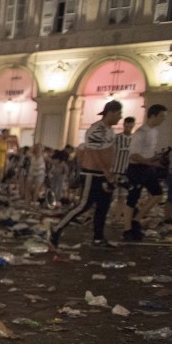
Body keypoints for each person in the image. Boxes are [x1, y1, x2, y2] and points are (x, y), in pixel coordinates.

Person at [50, 100, 122, 249]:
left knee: (103, 207)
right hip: (93, 174)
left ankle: (98, 237)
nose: (120, 117)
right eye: (119, 113)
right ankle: (56, 230)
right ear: (111, 112)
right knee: (82, 206)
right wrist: (106, 171)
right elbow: (93, 152)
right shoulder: (97, 129)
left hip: (102, 174)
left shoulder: (108, 130)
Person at [124, 104, 168, 240]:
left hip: (148, 168)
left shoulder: (154, 131)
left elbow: (147, 151)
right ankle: (127, 229)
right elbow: (134, 156)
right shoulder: (140, 133)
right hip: (136, 168)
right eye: (162, 116)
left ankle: (136, 220)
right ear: (153, 115)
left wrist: (155, 157)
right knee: (132, 199)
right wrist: (151, 162)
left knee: (158, 194)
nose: (163, 120)